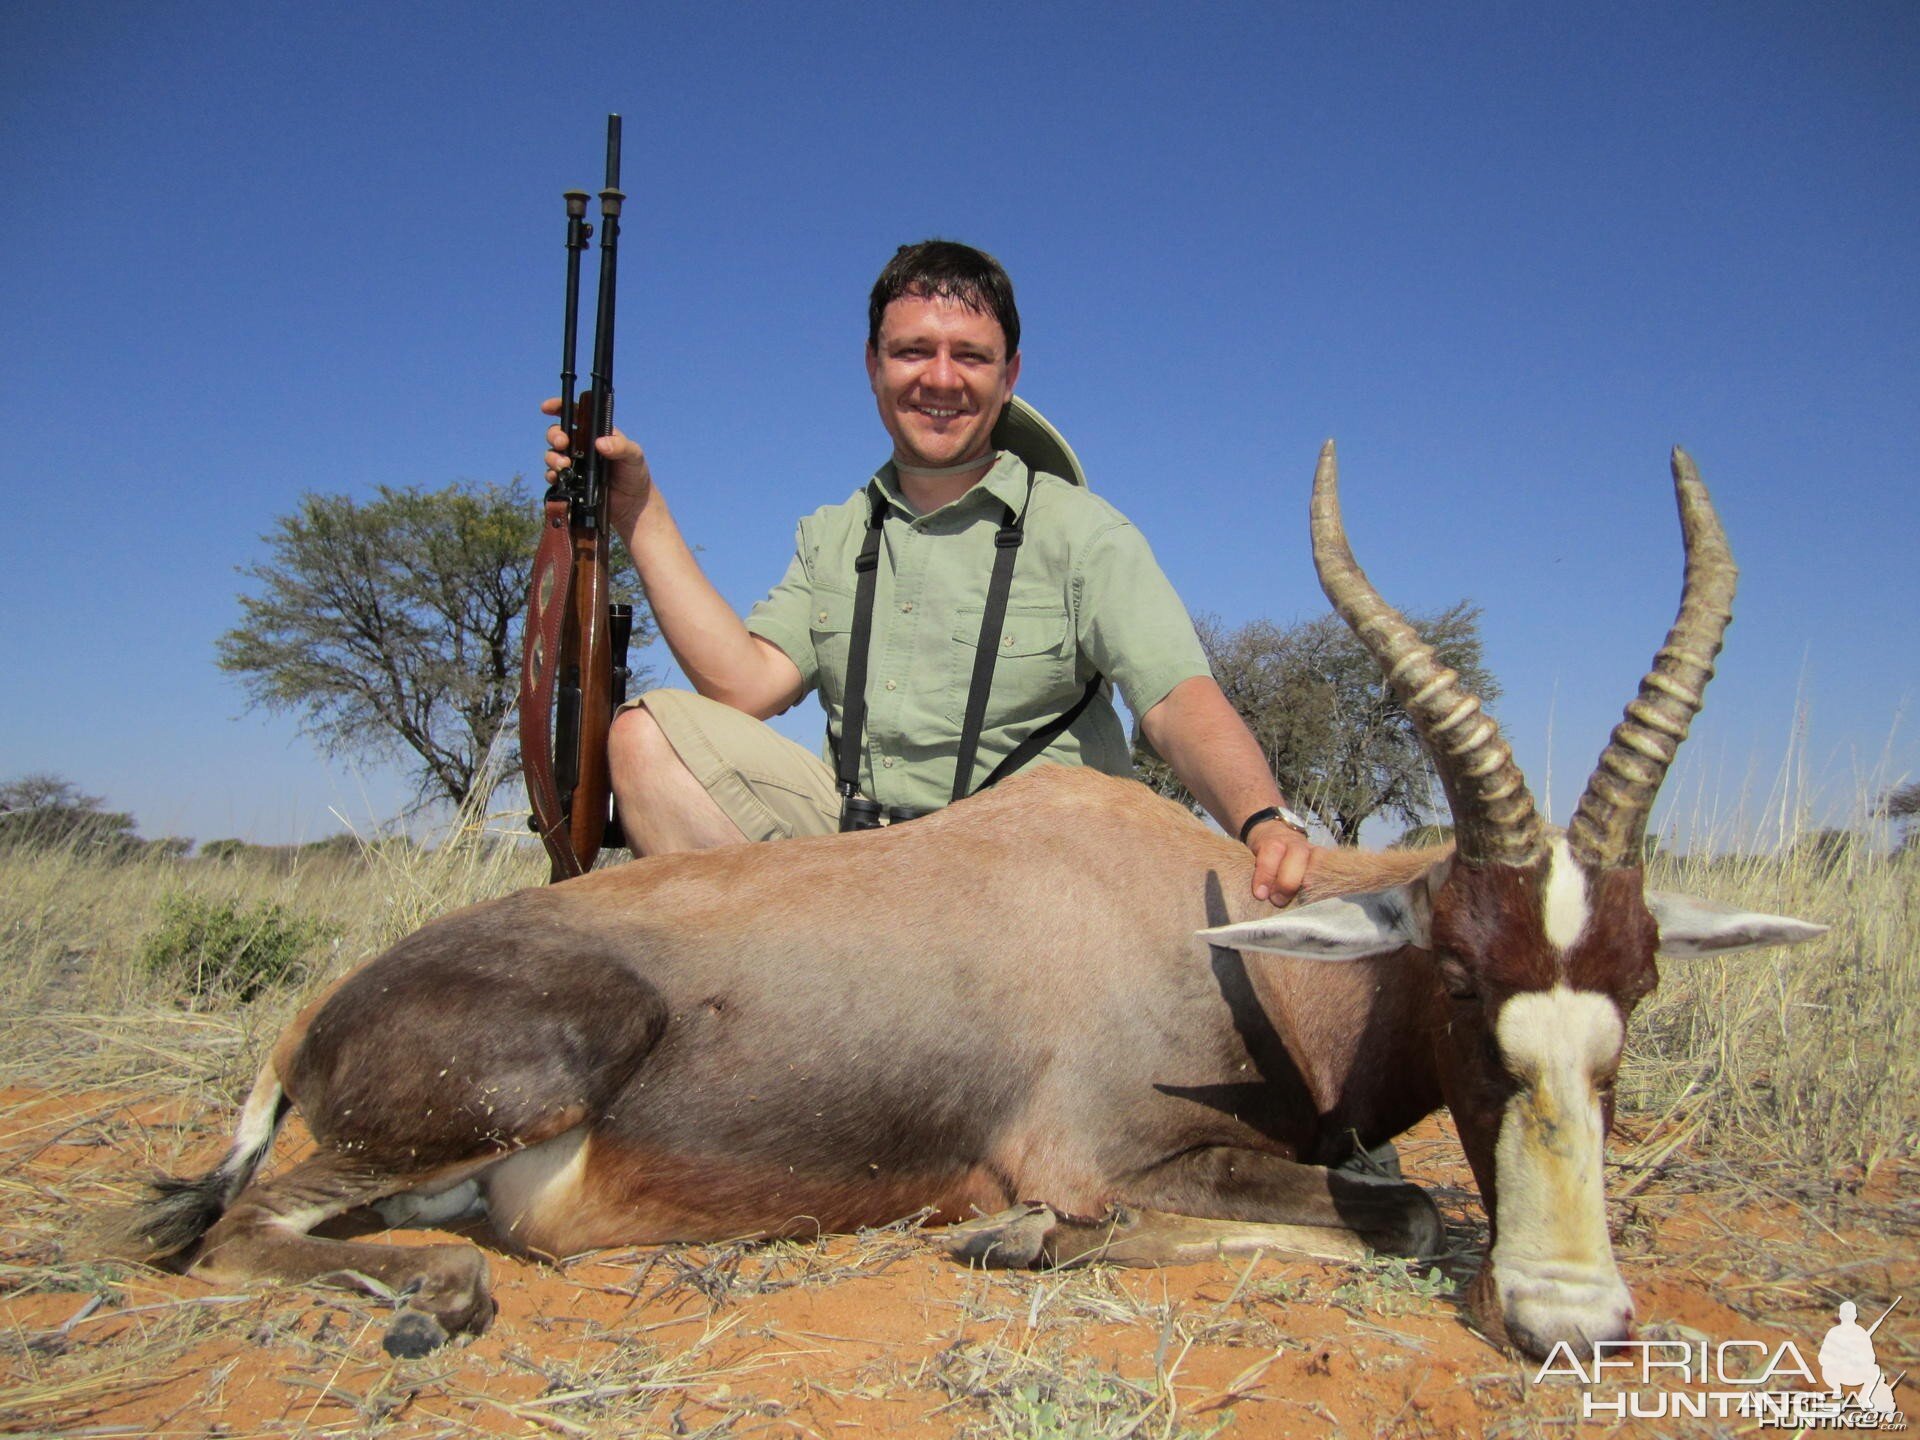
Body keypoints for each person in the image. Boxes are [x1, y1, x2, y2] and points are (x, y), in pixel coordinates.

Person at [542, 240, 1316, 903]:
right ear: (873, 365)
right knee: (645, 740)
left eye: (970, 356)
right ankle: (789, 1010)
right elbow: (746, 685)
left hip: (1034, 879)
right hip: (861, 866)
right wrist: (638, 510)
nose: (940, 379)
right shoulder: (835, 533)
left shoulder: (1085, 531)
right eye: (913, 351)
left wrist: (1261, 820)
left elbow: (1175, 698)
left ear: (1009, 374)